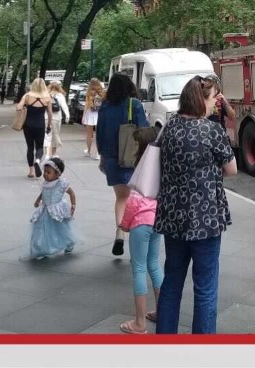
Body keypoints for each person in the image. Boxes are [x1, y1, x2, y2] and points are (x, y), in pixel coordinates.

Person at [153, 75, 237, 335]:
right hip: (205, 218)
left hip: (173, 215)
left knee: (172, 281)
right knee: (205, 287)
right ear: (201, 100)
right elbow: (231, 170)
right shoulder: (211, 130)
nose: (215, 105)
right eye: (213, 99)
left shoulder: (169, 126)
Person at [117, 126, 163, 335]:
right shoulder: (162, 166)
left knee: (139, 268)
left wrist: (123, 223)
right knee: (154, 265)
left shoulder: (141, 171)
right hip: (157, 221)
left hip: (139, 224)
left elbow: (133, 202)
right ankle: (163, 311)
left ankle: (139, 322)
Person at [96, 73, 148, 257]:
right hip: (132, 158)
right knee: (137, 199)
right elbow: (144, 132)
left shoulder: (105, 106)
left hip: (111, 157)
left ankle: (120, 232)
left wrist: (102, 156)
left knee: (121, 198)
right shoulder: (134, 105)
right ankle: (135, 237)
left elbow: (99, 133)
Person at [26, 158, 77, 260]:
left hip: (56, 210)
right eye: (45, 171)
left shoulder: (61, 183)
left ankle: (69, 242)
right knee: (41, 228)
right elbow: (43, 192)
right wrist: (37, 200)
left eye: (48, 172)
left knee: (61, 228)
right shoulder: (45, 183)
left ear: (57, 174)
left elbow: (71, 193)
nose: (45, 174)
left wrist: (73, 204)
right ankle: (41, 248)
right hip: (45, 210)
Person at [15, 79, 51, 179]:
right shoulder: (47, 97)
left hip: (28, 124)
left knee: (30, 147)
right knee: (39, 146)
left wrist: (23, 106)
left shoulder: (27, 96)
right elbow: (50, 114)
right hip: (40, 124)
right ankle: (38, 160)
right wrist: (49, 126)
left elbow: (18, 107)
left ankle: (31, 171)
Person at [82, 78, 105, 159]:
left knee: (89, 135)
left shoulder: (89, 93)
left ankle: (89, 151)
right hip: (99, 114)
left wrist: (83, 116)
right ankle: (98, 154)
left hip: (90, 114)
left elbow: (86, 105)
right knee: (98, 135)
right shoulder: (102, 92)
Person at [46, 81, 70, 160]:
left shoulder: (46, 95)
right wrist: (67, 115)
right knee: (55, 135)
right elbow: (64, 106)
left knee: (47, 135)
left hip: (46, 118)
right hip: (56, 118)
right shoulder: (60, 95)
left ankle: (47, 154)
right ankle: (54, 153)